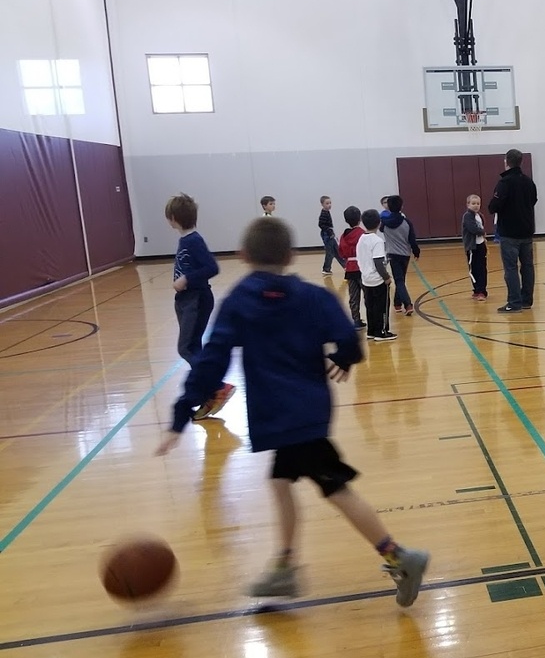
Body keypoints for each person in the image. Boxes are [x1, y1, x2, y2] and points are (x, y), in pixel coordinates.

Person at [154, 217, 429, 605]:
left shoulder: (239, 301)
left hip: (286, 418)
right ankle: (284, 567)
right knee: (281, 481)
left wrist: (182, 415)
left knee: (335, 489)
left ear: (244, 255)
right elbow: (349, 336)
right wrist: (345, 358)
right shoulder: (313, 297)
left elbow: (211, 362)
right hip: (307, 412)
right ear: (291, 255)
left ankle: (400, 557)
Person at [166, 192, 235, 420]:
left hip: (196, 299)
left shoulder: (194, 241)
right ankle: (209, 395)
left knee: (185, 347)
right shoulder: (186, 240)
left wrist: (186, 280)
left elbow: (212, 268)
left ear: (174, 218)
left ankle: (216, 387)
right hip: (187, 301)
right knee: (193, 347)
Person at [488, 149, 538, 313]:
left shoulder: (504, 183)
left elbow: (493, 206)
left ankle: (514, 302)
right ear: (521, 161)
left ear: (506, 161)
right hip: (527, 231)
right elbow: (533, 201)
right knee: (527, 267)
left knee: (511, 268)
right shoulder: (529, 182)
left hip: (510, 233)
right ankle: (526, 300)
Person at [356, 209, 396, 342]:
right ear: (379, 223)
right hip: (377, 280)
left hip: (366, 279)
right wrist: (386, 277)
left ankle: (371, 331)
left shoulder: (361, 239)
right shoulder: (377, 241)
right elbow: (378, 262)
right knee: (382, 306)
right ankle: (382, 331)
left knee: (370, 306)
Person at [379, 196, 420, 316]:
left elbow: (381, 229)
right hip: (405, 255)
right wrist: (416, 252)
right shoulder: (407, 223)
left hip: (392, 255)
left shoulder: (384, 224)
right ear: (401, 206)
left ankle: (398, 303)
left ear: (388, 207)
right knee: (400, 279)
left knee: (399, 280)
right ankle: (407, 304)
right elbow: (412, 239)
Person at [338, 206, 365, 329]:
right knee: (368, 295)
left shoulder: (343, 236)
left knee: (353, 296)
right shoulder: (362, 234)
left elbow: (342, 253)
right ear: (359, 218)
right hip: (361, 267)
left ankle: (356, 320)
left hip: (349, 268)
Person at [462, 194, 488, 301]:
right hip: (472, 247)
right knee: (474, 269)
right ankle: (477, 290)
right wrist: (482, 232)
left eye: (478, 203)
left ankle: (482, 290)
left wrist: (483, 236)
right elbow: (473, 228)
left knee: (481, 268)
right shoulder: (467, 216)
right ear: (468, 204)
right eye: (473, 203)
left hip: (481, 245)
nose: (476, 206)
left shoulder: (479, 215)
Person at [318, 195, 343, 276]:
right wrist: (329, 231)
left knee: (337, 250)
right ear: (322, 204)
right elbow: (321, 224)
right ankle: (326, 269)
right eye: (327, 203)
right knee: (330, 252)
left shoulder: (327, 212)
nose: (329, 205)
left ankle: (345, 266)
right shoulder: (323, 214)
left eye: (330, 203)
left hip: (330, 234)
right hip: (326, 235)